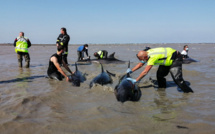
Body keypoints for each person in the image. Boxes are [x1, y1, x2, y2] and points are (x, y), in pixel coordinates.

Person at [126, 47, 193, 93]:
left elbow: (145, 72)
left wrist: (136, 80)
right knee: (159, 75)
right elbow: (141, 64)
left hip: (176, 58)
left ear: (145, 57)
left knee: (177, 79)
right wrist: (131, 70)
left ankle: (189, 93)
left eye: (142, 59)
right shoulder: (147, 53)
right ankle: (162, 90)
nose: (142, 61)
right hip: (166, 59)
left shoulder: (152, 57)